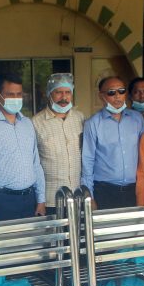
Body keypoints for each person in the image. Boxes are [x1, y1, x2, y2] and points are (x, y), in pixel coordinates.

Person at [0, 73, 46, 222]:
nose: (15, 98)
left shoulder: (27, 124)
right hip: (2, 201)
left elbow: (36, 164)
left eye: (19, 94)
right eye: (10, 94)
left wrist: (41, 200)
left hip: (30, 199)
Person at [82, 76, 144, 209]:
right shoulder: (93, 123)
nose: (117, 96)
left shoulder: (137, 119)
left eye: (121, 91)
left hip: (133, 189)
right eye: (111, 92)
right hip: (105, 190)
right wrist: (90, 196)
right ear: (101, 96)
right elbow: (87, 160)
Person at [32, 73, 85, 215]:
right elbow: (33, 163)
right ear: (49, 94)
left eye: (68, 92)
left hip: (78, 196)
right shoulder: (36, 122)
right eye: (58, 92)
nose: (64, 97)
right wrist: (40, 200)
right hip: (51, 199)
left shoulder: (80, 118)